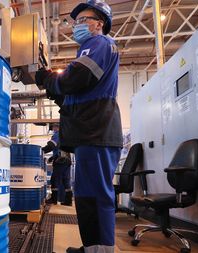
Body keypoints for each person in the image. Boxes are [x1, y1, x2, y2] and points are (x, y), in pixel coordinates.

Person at [35, 1, 123, 253]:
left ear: (100, 23)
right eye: (76, 21)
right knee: (86, 195)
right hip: (90, 133)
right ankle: (93, 247)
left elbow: (76, 78)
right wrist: (55, 91)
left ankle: (101, 250)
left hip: (97, 131)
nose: (77, 25)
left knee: (95, 195)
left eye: (83, 20)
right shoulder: (89, 49)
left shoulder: (100, 43)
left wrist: (49, 78)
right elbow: (76, 92)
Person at [42, 124, 72, 205]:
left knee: (54, 179)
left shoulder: (57, 134)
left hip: (60, 161)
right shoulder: (64, 135)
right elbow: (60, 148)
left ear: (57, 127)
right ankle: (68, 201)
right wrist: (52, 157)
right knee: (65, 180)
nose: (53, 129)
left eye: (53, 127)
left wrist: (40, 150)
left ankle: (53, 199)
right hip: (67, 160)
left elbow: (51, 146)